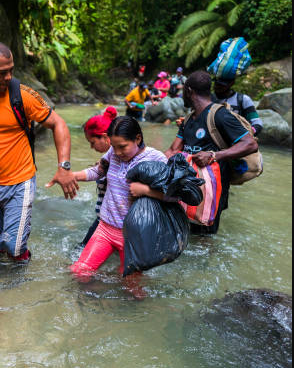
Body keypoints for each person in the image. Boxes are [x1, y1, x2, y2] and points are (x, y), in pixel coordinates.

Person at [0, 41, 78, 263]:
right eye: (2, 73)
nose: (9, 77)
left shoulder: (22, 96)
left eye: (11, 70)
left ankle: (20, 286)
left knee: (14, 247)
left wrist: (64, 168)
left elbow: (59, 124)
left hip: (20, 182)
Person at [70, 116, 170, 286]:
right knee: (80, 272)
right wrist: (71, 176)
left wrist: (146, 190)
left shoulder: (156, 159)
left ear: (137, 138)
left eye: (122, 147)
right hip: (105, 228)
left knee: (131, 286)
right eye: (114, 147)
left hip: (133, 235)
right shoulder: (114, 153)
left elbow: (175, 196)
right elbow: (98, 171)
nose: (116, 153)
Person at [165, 70, 258, 235]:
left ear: (189, 91)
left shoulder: (220, 115)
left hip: (213, 191)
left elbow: (250, 144)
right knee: (186, 231)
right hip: (188, 187)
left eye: (184, 92)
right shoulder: (187, 120)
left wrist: (214, 155)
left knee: (205, 237)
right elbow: (173, 150)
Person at [80, 106, 117, 246]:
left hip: (108, 220)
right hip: (107, 218)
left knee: (82, 249)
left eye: (92, 142)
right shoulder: (112, 158)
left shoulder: (116, 159)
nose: (91, 147)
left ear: (105, 137)